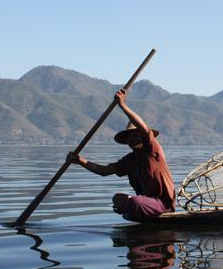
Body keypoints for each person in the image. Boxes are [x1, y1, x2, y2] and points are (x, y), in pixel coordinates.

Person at [66, 89, 175, 222]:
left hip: (162, 204)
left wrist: (122, 105)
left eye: (136, 135)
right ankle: (134, 207)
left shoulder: (152, 150)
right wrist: (80, 160)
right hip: (145, 202)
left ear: (143, 136)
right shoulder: (129, 160)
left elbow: (145, 129)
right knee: (117, 198)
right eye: (129, 137)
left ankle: (135, 207)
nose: (132, 139)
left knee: (134, 202)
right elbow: (104, 171)